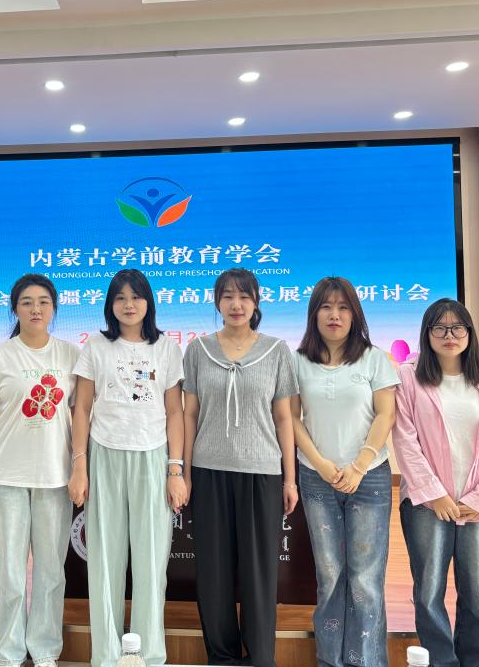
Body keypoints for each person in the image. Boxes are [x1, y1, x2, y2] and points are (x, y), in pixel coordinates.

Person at [68, 268, 186, 667]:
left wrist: (175, 470)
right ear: (110, 305)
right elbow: (81, 408)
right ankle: (106, 656)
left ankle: (148, 655)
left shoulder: (166, 348)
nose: (129, 304)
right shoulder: (96, 346)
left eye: (136, 297)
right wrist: (79, 466)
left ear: (148, 302)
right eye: (120, 297)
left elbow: (175, 411)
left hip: (152, 456)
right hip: (104, 454)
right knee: (104, 561)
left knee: (152, 563)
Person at [181, 268, 299, 667]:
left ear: (256, 302)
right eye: (228, 296)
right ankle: (222, 657)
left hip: (262, 472)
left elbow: (284, 418)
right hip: (208, 470)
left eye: (244, 296)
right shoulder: (198, 350)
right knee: (213, 572)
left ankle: (260, 657)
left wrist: (290, 479)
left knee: (258, 573)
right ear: (217, 302)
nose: (236, 304)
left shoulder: (276, 351)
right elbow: (189, 414)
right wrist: (184, 472)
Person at [392, 298, 479, 667]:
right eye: (440, 328)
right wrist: (434, 494)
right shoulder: (409, 379)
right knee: (429, 591)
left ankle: (475, 660)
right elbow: (405, 440)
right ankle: (441, 661)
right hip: (427, 505)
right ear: (427, 333)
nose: (450, 335)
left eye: (457, 327)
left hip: (477, 505)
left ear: (469, 333)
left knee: (476, 591)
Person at [291, 276, 399, 667]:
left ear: (355, 314)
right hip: (315, 477)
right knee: (330, 576)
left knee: (365, 580)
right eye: (326, 306)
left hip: (368, 478)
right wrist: (320, 463)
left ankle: (365, 661)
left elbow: (386, 414)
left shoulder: (374, 358)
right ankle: (330, 660)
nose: (334, 315)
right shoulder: (297, 361)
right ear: (314, 314)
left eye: (342, 307)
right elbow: (292, 418)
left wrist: (359, 464)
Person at [0, 273, 81, 667]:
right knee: (11, 574)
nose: (35, 309)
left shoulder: (71, 355)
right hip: (7, 477)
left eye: (43, 302)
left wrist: (79, 469)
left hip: (56, 478)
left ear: (54, 308)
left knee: (51, 573)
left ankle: (46, 650)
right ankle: (9, 653)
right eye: (27, 302)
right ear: (14, 309)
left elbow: (80, 416)